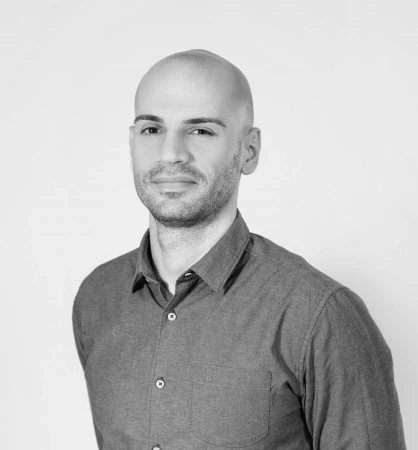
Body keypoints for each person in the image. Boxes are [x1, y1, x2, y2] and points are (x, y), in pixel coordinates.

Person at [72, 49, 406, 449]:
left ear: (249, 150)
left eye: (201, 131)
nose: (171, 153)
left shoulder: (321, 315)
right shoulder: (98, 299)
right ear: (131, 143)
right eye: (152, 129)